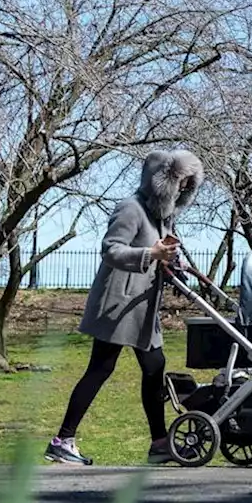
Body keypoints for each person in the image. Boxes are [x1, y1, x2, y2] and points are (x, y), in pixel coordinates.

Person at [45, 149, 204, 466]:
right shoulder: (131, 209)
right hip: (117, 305)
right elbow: (110, 250)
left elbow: (162, 253)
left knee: (154, 367)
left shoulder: (161, 216)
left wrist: (177, 266)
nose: (184, 189)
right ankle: (62, 440)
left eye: (188, 184)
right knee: (101, 368)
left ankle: (159, 442)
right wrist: (150, 253)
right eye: (180, 182)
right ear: (163, 183)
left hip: (142, 308)